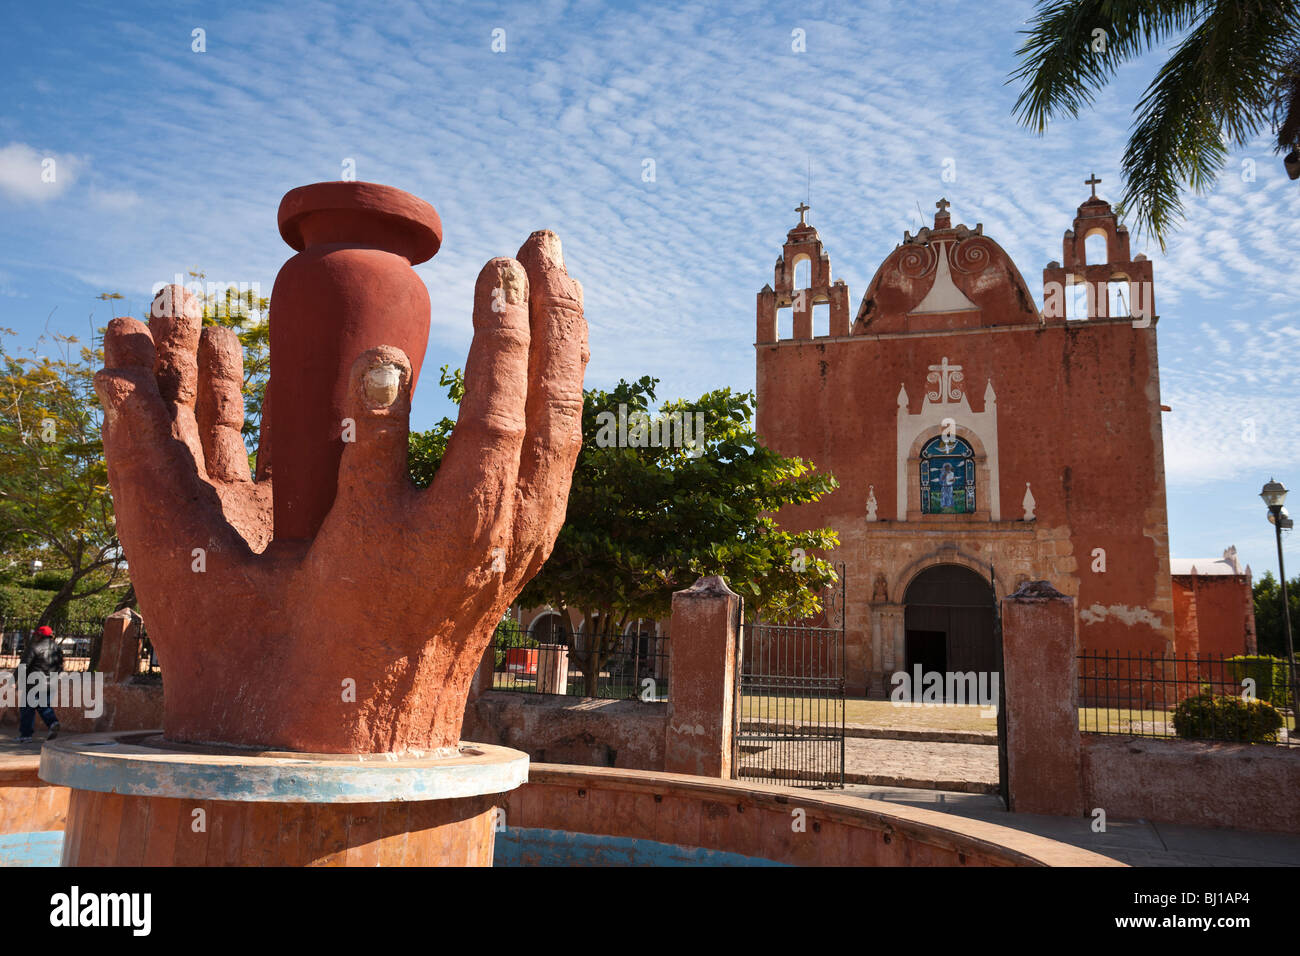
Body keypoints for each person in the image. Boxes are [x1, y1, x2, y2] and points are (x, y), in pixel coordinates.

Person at [16, 625, 62, 743]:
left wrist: (14, 680)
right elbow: (60, 667)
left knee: (27, 709)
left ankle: (26, 735)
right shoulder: (58, 649)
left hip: (34, 683)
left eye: (36, 634)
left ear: (40, 635)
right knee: (43, 705)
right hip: (50, 683)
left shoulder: (34, 647)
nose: (35, 636)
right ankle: (53, 722)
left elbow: (24, 665)